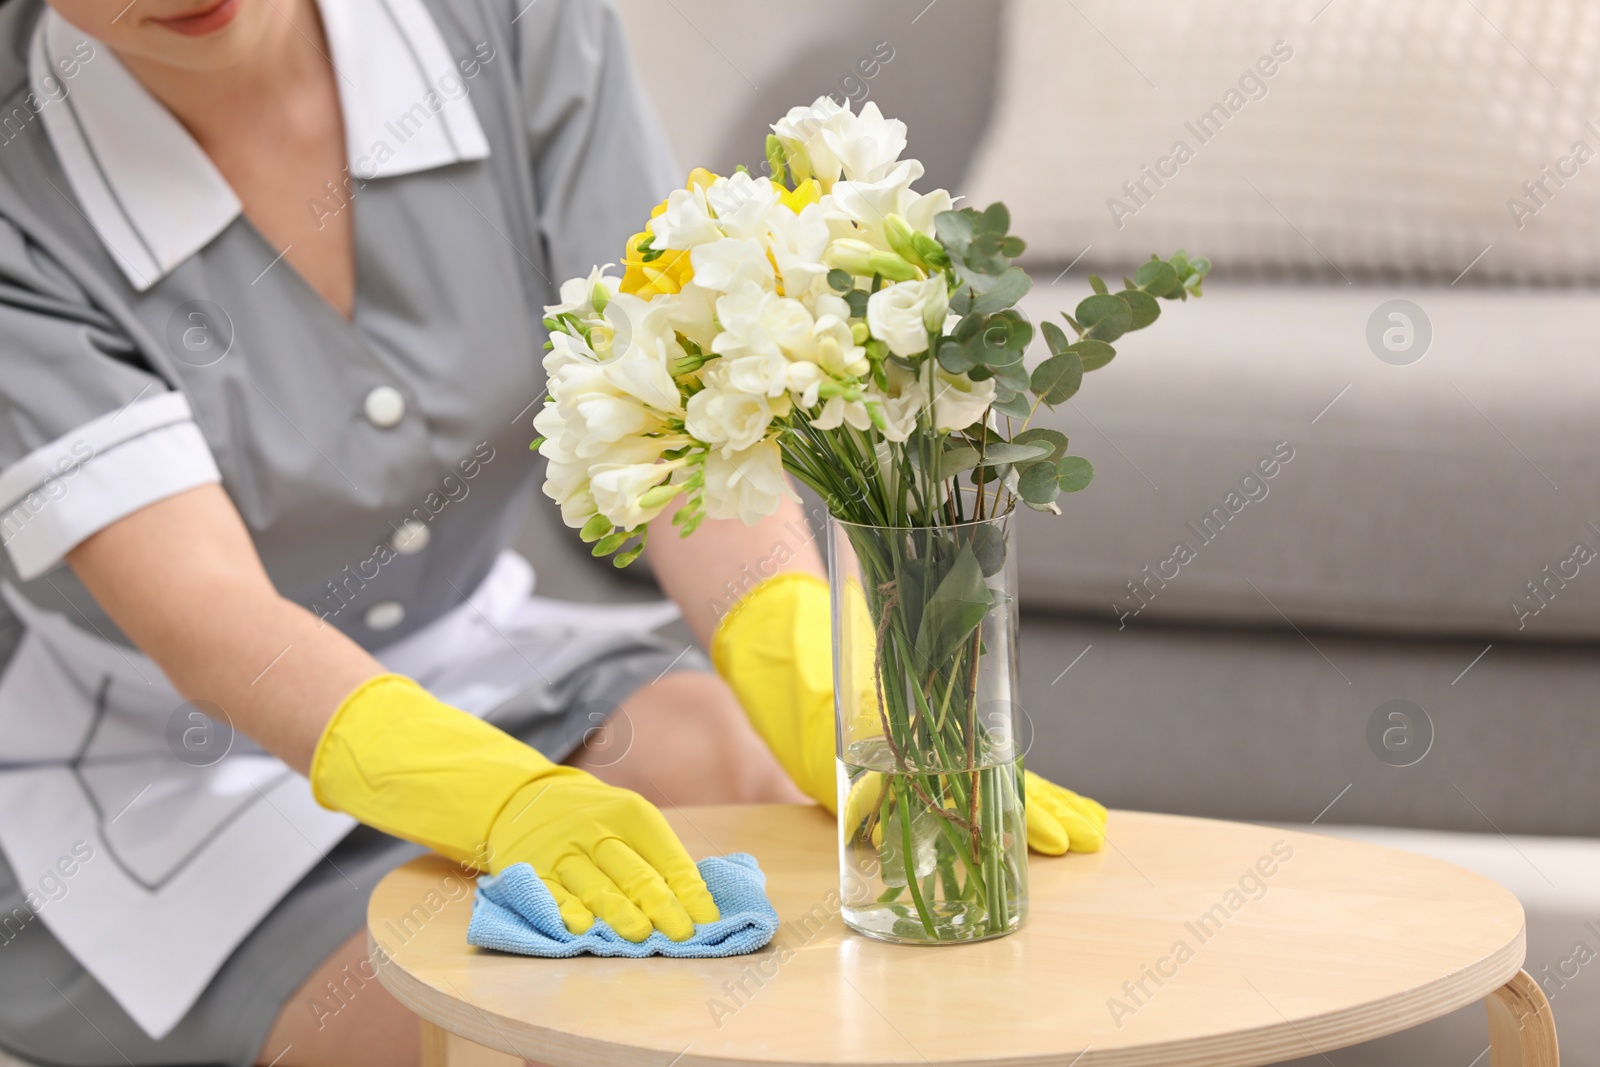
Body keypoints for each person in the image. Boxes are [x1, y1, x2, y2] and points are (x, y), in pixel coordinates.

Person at [0, 1, 1103, 1064]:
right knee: (522, 1018)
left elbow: (669, 390)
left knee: (769, 790)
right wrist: (501, 798)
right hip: (165, 774)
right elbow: (213, 618)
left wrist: (817, 674)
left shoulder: (513, 21)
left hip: (474, 666)